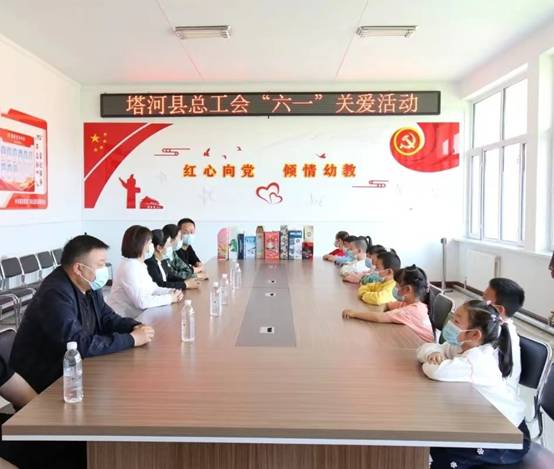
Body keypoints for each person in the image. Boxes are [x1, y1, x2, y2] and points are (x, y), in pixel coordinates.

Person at [10, 235, 155, 394]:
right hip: (45, 383)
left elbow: (107, 318)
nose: (104, 270)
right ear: (79, 269)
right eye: (100, 265)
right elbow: (78, 344)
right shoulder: (55, 294)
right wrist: (132, 339)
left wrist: (134, 326)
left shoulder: (88, 285)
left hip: (74, 371)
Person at [418, 300, 529, 468]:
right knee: (435, 445)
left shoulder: (477, 361)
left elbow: (435, 371)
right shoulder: (461, 346)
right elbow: (425, 348)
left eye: (456, 321)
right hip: (482, 424)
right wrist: (433, 352)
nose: (450, 323)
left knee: (444, 459)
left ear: (475, 334)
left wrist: (432, 359)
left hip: (508, 438)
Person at [343, 265, 434, 342]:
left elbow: (379, 318)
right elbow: (387, 305)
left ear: (407, 289)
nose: (395, 288)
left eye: (397, 285)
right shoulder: (412, 304)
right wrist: (382, 312)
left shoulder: (410, 311)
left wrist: (354, 314)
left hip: (424, 350)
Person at [107, 225, 183, 318]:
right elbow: (141, 302)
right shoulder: (129, 267)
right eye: (150, 243)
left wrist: (171, 291)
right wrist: (170, 298)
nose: (152, 246)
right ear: (140, 245)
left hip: (138, 316)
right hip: (122, 319)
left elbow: (153, 288)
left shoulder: (139, 264)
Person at [482, 278, 525, 393]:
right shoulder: (492, 327)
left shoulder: (497, 334)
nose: (479, 304)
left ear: (499, 309)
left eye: (484, 300)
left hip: (491, 396)